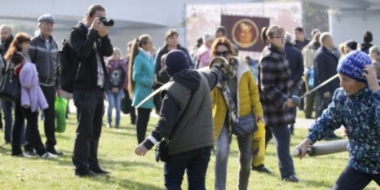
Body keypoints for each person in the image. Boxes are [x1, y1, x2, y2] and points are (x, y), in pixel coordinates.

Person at [135, 49, 222, 190]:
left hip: (181, 145)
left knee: (173, 182)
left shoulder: (172, 91)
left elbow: (165, 124)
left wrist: (146, 144)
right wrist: (217, 65)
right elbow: (215, 75)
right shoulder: (203, 79)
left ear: (169, 69)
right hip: (204, 143)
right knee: (198, 184)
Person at [295, 51, 380, 190]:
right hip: (359, 164)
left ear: (362, 80)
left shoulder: (377, 93)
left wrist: (376, 90)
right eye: (340, 78)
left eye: (346, 79)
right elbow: (327, 120)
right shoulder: (342, 96)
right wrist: (307, 141)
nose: (341, 84)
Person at [211, 37, 264, 189]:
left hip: (244, 116)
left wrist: (258, 111)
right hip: (222, 119)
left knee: (246, 159)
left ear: (231, 52)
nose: (222, 55)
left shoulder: (243, 68)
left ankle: (242, 187)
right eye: (217, 52)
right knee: (221, 154)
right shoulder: (212, 72)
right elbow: (208, 97)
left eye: (225, 52)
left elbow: (254, 91)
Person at [69, 4, 113, 177]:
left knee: (95, 130)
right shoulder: (76, 32)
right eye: (99, 18)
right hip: (84, 88)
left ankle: (93, 165)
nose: (102, 22)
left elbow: (108, 52)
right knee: (84, 130)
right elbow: (83, 52)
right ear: (89, 17)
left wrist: (105, 36)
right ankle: (80, 168)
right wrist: (92, 33)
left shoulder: (99, 34)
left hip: (98, 88)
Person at [4, 35, 56, 159]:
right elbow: (22, 77)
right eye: (25, 43)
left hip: (19, 93)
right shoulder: (17, 57)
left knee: (19, 121)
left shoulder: (20, 56)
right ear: (19, 43)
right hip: (24, 93)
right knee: (32, 122)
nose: (28, 45)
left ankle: (16, 150)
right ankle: (41, 151)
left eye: (28, 43)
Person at [258, 25, 298, 182]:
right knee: (283, 138)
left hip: (277, 104)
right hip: (272, 106)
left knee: (264, 137)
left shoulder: (279, 52)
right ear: (269, 39)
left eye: (283, 36)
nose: (282, 39)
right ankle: (288, 174)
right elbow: (266, 86)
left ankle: (254, 163)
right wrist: (284, 100)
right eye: (278, 36)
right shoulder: (269, 56)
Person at [28, 14, 61, 155]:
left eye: (51, 24)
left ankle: (50, 146)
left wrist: (58, 85)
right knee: (32, 116)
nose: (49, 26)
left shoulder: (55, 44)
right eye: (46, 24)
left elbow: (57, 66)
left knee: (50, 116)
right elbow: (29, 64)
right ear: (39, 26)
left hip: (50, 85)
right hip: (37, 85)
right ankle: (29, 146)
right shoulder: (33, 42)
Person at [128, 34, 155, 144]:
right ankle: (140, 140)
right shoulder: (139, 58)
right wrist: (148, 81)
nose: (151, 45)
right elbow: (136, 76)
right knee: (142, 117)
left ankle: (143, 140)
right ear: (143, 45)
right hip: (142, 91)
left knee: (147, 117)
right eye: (149, 43)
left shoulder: (150, 56)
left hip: (149, 92)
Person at [314, 33, 340, 139]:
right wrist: (325, 90)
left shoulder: (328, 53)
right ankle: (320, 132)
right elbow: (321, 73)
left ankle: (329, 132)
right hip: (326, 88)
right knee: (323, 110)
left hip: (333, 86)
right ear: (327, 41)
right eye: (331, 40)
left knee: (331, 111)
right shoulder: (320, 54)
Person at [284, 33, 304, 135]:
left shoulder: (279, 52)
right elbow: (301, 70)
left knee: (282, 103)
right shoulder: (297, 52)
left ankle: (284, 124)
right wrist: (293, 81)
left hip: (281, 83)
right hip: (294, 83)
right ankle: (292, 126)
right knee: (294, 104)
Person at [106, 48, 126, 128]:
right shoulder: (107, 65)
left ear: (119, 55)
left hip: (119, 89)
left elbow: (124, 78)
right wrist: (111, 87)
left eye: (116, 53)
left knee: (118, 106)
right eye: (113, 53)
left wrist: (118, 87)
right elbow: (106, 78)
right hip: (110, 89)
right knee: (111, 105)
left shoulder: (122, 66)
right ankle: (109, 122)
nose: (115, 55)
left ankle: (117, 123)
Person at [0, 25, 14, 144]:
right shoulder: (1, 47)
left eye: (5, 33)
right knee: (6, 114)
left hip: (14, 84)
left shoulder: (15, 46)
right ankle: (8, 138)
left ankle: (20, 138)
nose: (3, 35)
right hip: (3, 84)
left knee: (19, 114)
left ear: (10, 33)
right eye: (1, 33)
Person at [302, 32, 321, 119]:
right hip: (315, 73)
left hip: (307, 73)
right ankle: (317, 113)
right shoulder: (319, 49)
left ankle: (307, 113)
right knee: (317, 94)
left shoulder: (306, 47)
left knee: (309, 94)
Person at [123, 41, 136, 125]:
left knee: (132, 102)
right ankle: (132, 117)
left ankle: (133, 119)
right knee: (128, 101)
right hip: (125, 84)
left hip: (133, 83)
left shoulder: (135, 58)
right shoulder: (126, 59)